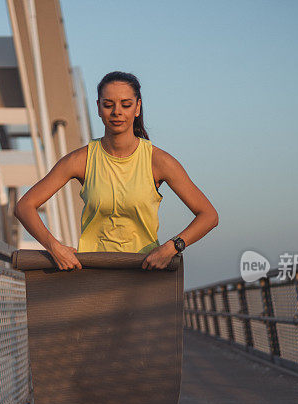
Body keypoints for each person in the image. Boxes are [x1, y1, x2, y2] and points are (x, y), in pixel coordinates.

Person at [15, 71, 218, 270]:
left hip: (144, 273)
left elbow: (208, 215)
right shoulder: (80, 160)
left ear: (137, 107)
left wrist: (173, 247)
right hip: (92, 272)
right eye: (108, 105)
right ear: (98, 107)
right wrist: (55, 247)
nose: (117, 112)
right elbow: (24, 206)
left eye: (126, 105)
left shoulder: (158, 161)